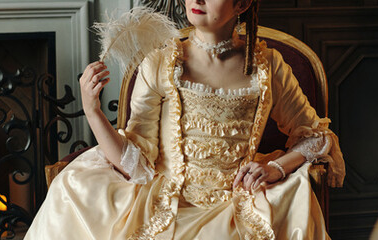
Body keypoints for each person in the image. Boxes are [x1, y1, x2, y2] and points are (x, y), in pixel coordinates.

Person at [23, 0, 344, 238]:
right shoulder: (160, 62)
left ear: (242, 4)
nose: (197, 0)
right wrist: (92, 111)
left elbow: (315, 137)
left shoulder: (269, 65)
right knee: (72, 186)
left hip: (241, 199)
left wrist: (275, 168)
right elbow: (135, 160)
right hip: (165, 198)